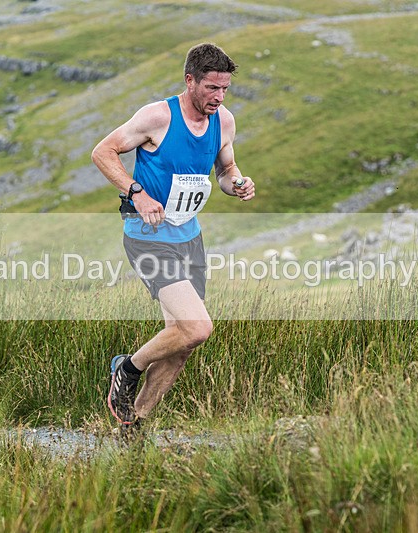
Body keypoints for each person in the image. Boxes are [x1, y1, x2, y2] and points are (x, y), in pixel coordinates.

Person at [91, 43, 255, 432]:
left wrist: (239, 184)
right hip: (148, 236)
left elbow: (226, 167)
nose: (218, 97)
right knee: (198, 327)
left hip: (189, 238)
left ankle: (133, 425)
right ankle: (127, 367)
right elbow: (103, 152)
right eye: (211, 88)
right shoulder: (157, 116)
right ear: (190, 80)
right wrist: (139, 194)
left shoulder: (224, 121)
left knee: (183, 342)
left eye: (225, 89)